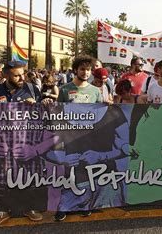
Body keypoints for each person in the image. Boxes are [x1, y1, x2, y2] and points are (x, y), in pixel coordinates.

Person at [0, 61, 51, 228]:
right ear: (5, 75)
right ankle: (5, 210)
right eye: (16, 75)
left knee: (29, 174)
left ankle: (30, 207)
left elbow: (43, 112)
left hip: (28, 140)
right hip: (5, 142)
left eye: (23, 74)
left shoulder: (32, 88)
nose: (22, 78)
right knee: (4, 175)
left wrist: (42, 104)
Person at [53, 55, 103, 221]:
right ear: (75, 70)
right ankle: (64, 206)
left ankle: (84, 203)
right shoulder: (65, 89)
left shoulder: (96, 91)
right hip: (69, 139)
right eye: (82, 69)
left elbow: (100, 117)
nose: (86, 72)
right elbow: (58, 114)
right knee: (68, 173)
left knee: (86, 172)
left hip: (88, 139)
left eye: (88, 69)